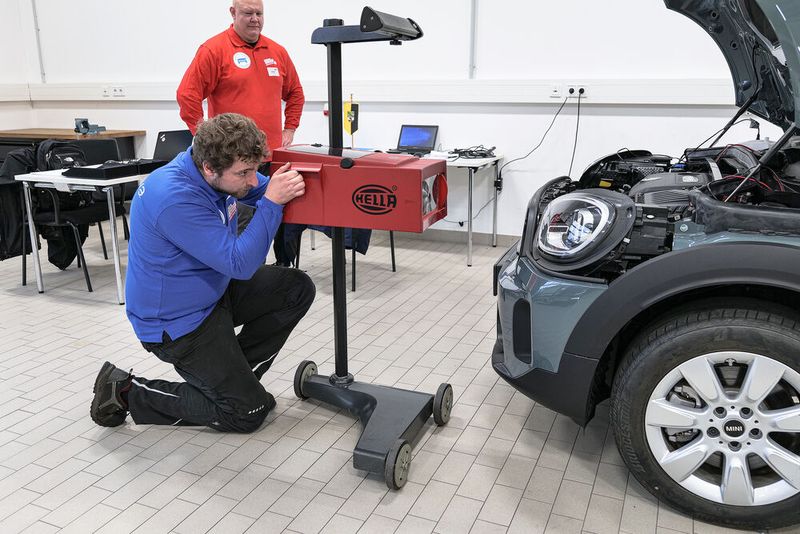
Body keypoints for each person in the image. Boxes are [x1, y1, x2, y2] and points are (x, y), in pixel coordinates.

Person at [89, 113, 315, 433]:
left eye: (255, 169)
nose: (253, 180)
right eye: (245, 172)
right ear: (210, 167)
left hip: (212, 292)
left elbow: (259, 190)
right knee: (247, 412)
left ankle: (238, 383)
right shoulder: (174, 198)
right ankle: (127, 392)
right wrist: (272, 203)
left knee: (295, 288)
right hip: (177, 324)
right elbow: (240, 263)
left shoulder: (208, 168)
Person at [176, 0, 304, 264]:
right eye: (247, 13)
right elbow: (187, 95)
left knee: (282, 217)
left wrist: (289, 127)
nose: (254, 19)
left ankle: (284, 267)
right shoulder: (214, 50)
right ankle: (243, 275)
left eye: (259, 13)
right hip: (235, 164)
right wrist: (205, 138)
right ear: (233, 13)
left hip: (272, 157)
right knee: (242, 224)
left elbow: (295, 93)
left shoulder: (277, 51)